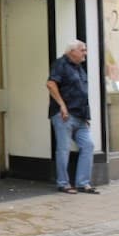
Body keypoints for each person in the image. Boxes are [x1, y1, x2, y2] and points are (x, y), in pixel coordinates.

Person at [46, 39, 99, 194]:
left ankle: (82, 183)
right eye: (82, 50)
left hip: (80, 116)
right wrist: (62, 105)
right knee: (63, 149)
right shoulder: (60, 64)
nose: (85, 53)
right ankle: (63, 183)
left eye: (85, 50)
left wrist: (86, 116)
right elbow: (50, 84)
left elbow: (82, 92)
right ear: (72, 51)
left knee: (88, 145)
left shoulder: (79, 68)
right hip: (65, 115)